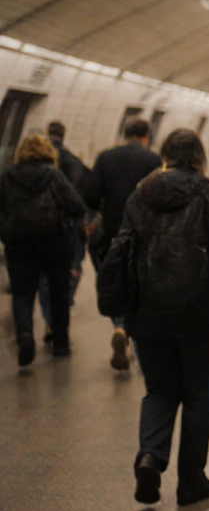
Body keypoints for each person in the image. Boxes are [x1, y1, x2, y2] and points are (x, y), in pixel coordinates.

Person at [122, 129, 209, 507]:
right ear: (200, 157)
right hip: (202, 313)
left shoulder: (140, 195)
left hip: (148, 310)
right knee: (197, 395)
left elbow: (124, 248)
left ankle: (150, 456)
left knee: (159, 390)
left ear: (163, 156)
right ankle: (191, 481)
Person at [0, 134, 87, 365]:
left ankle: (25, 334)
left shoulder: (7, 176)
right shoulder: (53, 175)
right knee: (58, 293)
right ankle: (60, 343)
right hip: (53, 242)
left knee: (22, 293)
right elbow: (75, 205)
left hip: (18, 243)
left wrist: (5, 231)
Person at [84, 118, 162, 370]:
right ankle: (139, 342)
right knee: (140, 283)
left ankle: (119, 327)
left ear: (124, 133)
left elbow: (91, 195)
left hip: (111, 232)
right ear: (145, 137)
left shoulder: (105, 157)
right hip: (144, 233)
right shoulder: (152, 160)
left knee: (115, 279)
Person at [38, 121, 90, 333]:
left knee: (44, 275)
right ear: (64, 135)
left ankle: (50, 319)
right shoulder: (74, 161)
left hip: (42, 227)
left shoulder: (31, 165)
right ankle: (64, 304)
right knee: (74, 266)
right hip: (71, 226)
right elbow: (85, 195)